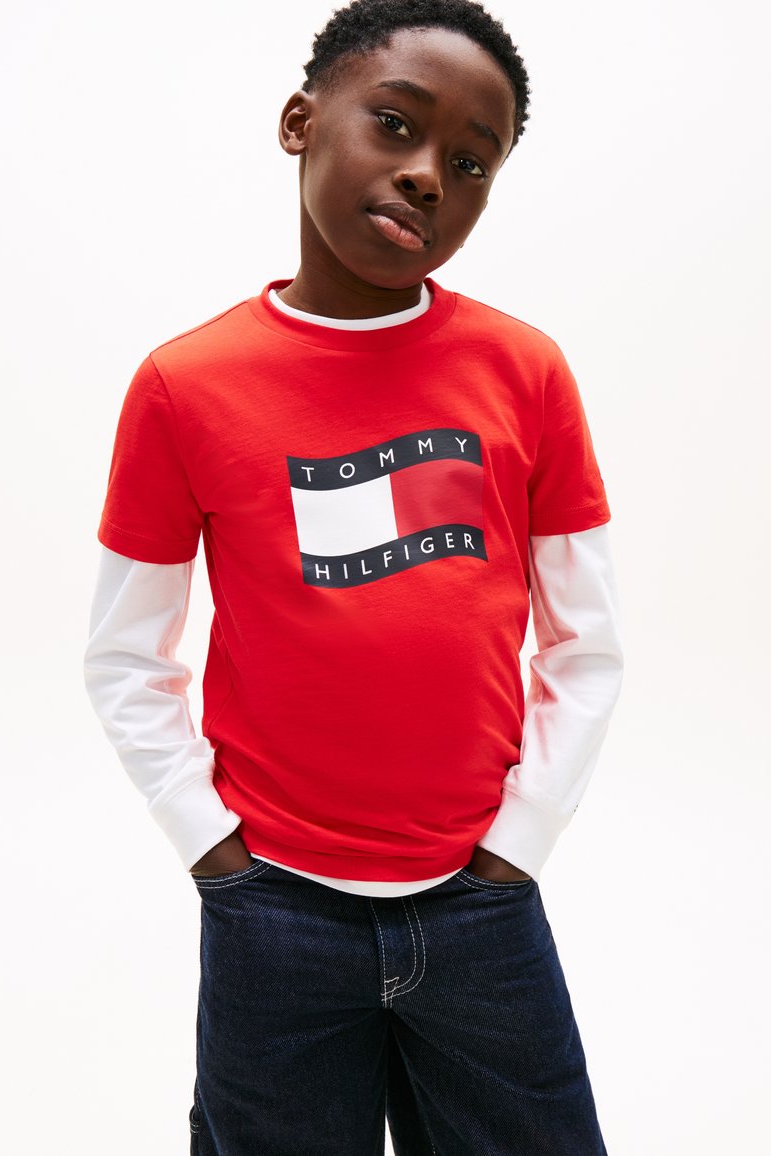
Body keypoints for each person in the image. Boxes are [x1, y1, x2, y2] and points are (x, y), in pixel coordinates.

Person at [84, 0, 624, 1152]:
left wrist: (516, 845)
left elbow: (585, 643)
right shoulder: (185, 386)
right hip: (273, 909)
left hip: (479, 904)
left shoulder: (525, 372)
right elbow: (125, 652)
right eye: (394, 123)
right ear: (299, 120)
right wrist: (212, 849)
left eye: (470, 164)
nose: (427, 174)